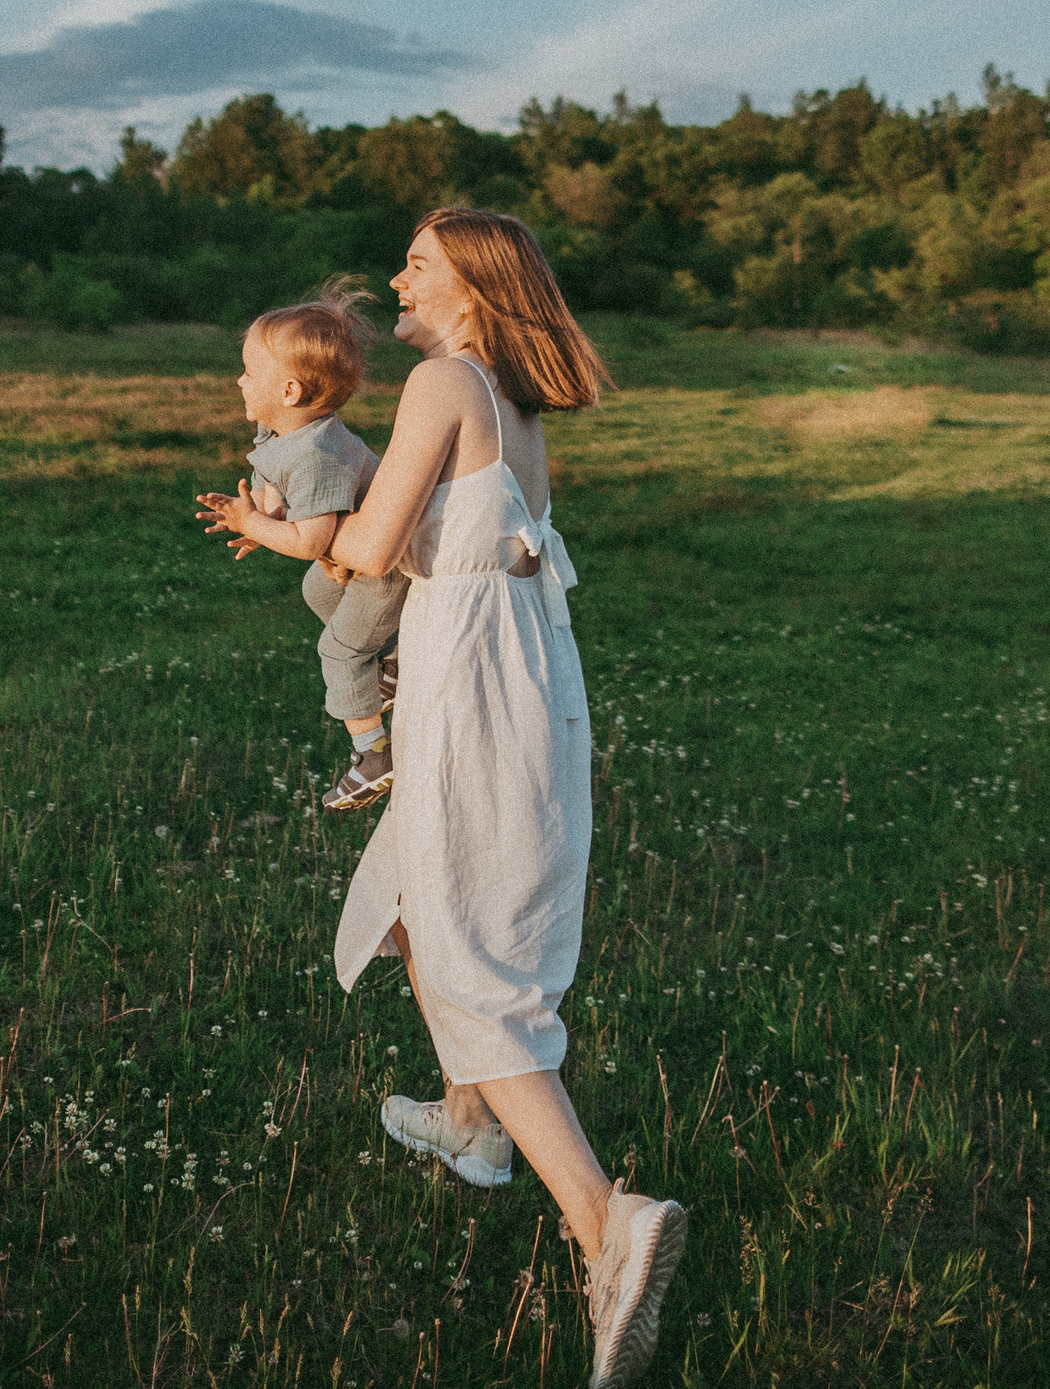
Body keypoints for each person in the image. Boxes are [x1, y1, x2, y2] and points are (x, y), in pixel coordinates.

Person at [319, 208, 685, 1388]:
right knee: (428, 899)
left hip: (473, 685)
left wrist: (299, 537)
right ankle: (472, 1128)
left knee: (472, 955)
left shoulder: (442, 383)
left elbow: (372, 552)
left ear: (470, 289)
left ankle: (604, 1224)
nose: (396, 278)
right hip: (518, 676)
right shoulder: (514, 408)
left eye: (416, 265)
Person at [193, 278, 411, 811]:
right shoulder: (285, 433)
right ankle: (393, 662)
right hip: (353, 561)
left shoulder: (319, 453)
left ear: (289, 392)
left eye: (249, 371)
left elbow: (312, 538)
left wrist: (264, 527)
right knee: (318, 591)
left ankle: (372, 755)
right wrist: (253, 520)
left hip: (386, 565)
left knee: (337, 648)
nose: (239, 380)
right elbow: (278, 501)